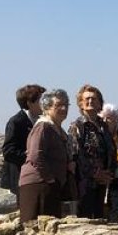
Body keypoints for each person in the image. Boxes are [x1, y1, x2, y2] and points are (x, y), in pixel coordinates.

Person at [18, 89, 72, 222]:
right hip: (39, 184)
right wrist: (50, 179)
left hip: (50, 185)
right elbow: (35, 155)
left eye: (66, 104)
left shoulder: (57, 129)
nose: (64, 108)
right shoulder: (43, 127)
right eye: (58, 105)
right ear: (47, 108)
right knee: (36, 230)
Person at [68, 85, 115, 219]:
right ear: (81, 103)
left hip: (103, 183)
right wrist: (96, 174)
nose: (90, 101)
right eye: (87, 99)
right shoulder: (77, 126)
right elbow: (76, 154)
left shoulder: (103, 125)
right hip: (85, 184)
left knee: (100, 217)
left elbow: (111, 149)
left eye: (94, 99)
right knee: (86, 218)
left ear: (100, 103)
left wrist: (108, 173)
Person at [1, 84, 44, 195]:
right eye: (41, 100)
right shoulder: (16, 122)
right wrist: (31, 158)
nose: (45, 104)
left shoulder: (42, 121)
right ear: (30, 103)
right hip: (21, 178)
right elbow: (8, 151)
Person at [99, 103, 118, 224]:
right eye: (103, 118)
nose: (106, 121)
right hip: (103, 176)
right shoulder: (100, 134)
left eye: (109, 118)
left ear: (116, 119)